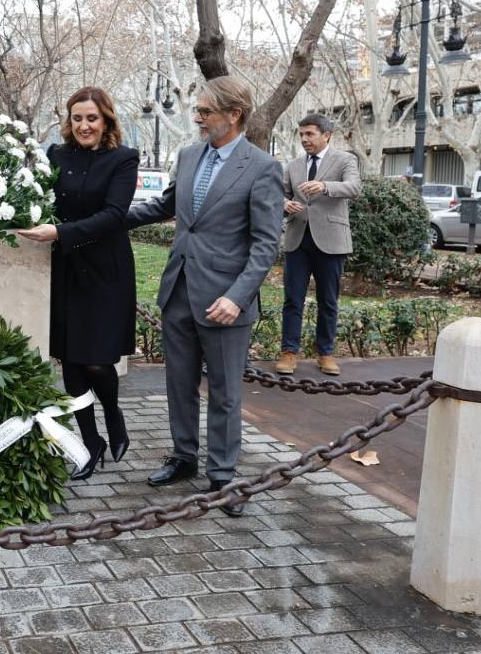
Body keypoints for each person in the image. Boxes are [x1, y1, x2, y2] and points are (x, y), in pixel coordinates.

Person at [125, 76, 283, 516]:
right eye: (197, 110)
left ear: (234, 115)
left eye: (205, 111)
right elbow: (165, 206)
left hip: (225, 301)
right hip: (179, 290)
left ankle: (222, 474)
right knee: (178, 384)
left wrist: (237, 296)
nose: (197, 118)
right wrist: (104, 219)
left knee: (225, 392)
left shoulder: (262, 168)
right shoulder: (190, 155)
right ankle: (183, 457)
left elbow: (265, 244)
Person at [18, 88, 139, 480]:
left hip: (105, 270)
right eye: (77, 118)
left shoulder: (123, 159)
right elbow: (38, 200)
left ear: (106, 120)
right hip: (65, 268)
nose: (84, 126)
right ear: (68, 121)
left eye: (92, 118)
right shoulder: (54, 155)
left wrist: (60, 231)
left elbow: (114, 214)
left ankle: (113, 414)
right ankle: (89, 442)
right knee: (70, 362)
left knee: (97, 360)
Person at [278, 114, 361, 376]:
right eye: (301, 134)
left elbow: (354, 187)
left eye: (310, 134)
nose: (304, 139)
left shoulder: (345, 160)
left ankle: (325, 353)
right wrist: (284, 204)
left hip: (331, 241)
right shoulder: (293, 165)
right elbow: (279, 193)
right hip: (297, 239)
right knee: (293, 300)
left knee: (328, 300)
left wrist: (325, 186)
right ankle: (289, 353)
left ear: (327, 135)